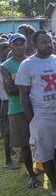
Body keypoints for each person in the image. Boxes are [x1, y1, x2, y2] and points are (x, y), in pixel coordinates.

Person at [16, 30, 56, 196]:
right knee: (46, 152)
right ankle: (55, 186)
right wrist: (32, 119)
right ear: (35, 45)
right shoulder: (27, 65)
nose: (49, 45)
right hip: (42, 115)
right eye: (44, 42)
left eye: (50, 41)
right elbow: (23, 95)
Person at [1, 34, 39, 186]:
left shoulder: (33, 60)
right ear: (10, 47)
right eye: (15, 44)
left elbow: (38, 82)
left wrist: (19, 83)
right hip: (17, 108)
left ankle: (55, 170)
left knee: (45, 139)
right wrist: (28, 83)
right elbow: (9, 90)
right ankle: (31, 174)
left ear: (26, 45)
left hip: (36, 105)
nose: (19, 46)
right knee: (25, 144)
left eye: (22, 43)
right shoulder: (5, 66)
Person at [0, 39, 17, 170]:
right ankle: (8, 161)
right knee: (7, 133)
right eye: (4, 50)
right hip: (6, 102)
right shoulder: (3, 68)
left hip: (13, 100)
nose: (7, 52)